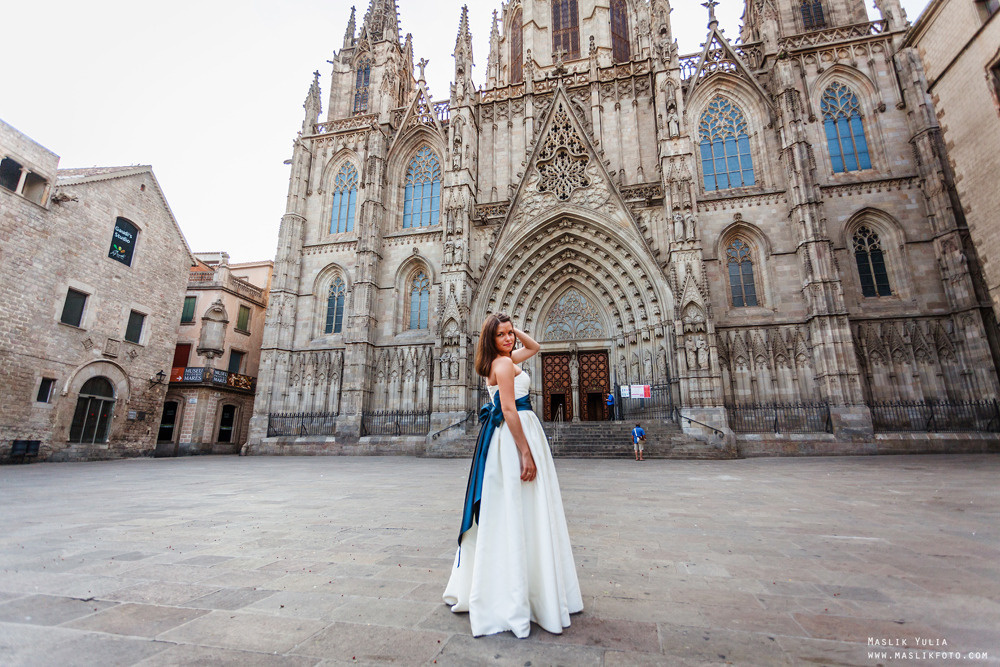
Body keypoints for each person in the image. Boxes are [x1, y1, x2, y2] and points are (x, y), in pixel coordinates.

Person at [443, 312, 583, 638]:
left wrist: (510, 327)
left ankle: (519, 587)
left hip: (513, 435)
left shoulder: (506, 358)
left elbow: (535, 347)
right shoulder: (503, 365)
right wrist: (525, 452)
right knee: (524, 511)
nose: (508, 339)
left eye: (509, 334)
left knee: (513, 512)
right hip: (514, 437)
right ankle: (522, 595)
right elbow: (508, 409)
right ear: (490, 341)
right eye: (501, 335)